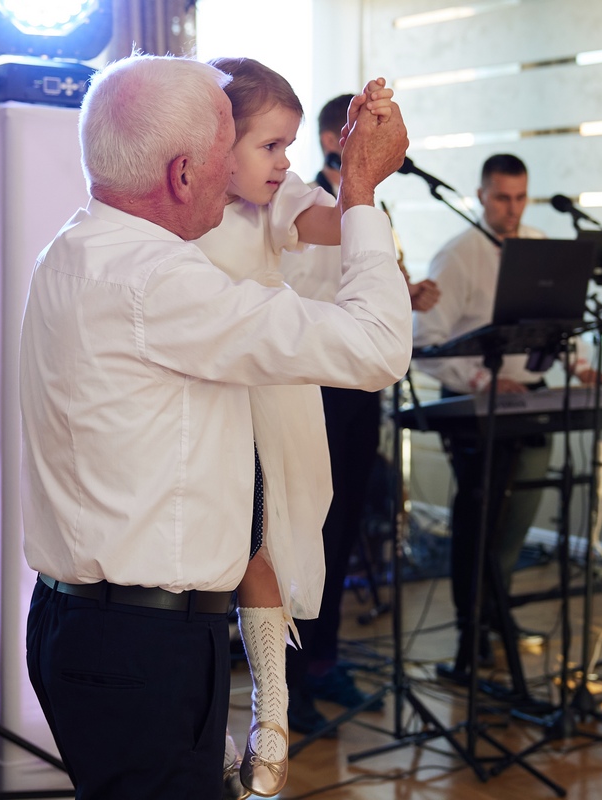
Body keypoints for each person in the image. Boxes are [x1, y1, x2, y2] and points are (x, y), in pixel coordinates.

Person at [19, 54, 411, 800]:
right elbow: (378, 347)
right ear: (184, 173)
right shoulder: (160, 281)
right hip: (139, 646)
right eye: (228, 144)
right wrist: (360, 190)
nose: (253, 168)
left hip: (83, 626)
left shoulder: (73, 247)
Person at [192, 58, 393, 796]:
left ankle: (270, 708)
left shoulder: (274, 202)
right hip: (200, 390)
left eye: (289, 146)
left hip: (267, 391)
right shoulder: (179, 216)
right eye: (269, 146)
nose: (283, 162)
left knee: (264, 541)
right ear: (216, 143)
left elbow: (334, 222)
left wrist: (361, 172)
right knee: (200, 556)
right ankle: (207, 722)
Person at [411, 153, 602, 681]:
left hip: (531, 400)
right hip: (476, 407)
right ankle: (471, 632)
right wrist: (485, 380)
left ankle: (496, 615)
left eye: (520, 197)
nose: (512, 208)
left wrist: (581, 368)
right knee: (479, 521)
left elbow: (556, 323)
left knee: (517, 520)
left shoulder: (539, 245)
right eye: (502, 198)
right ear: (482, 195)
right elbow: (426, 343)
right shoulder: (457, 255)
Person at [279, 93, 439, 735]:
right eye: (362, 129)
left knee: (344, 528)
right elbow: (296, 296)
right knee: (306, 531)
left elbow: (375, 284)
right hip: (313, 383)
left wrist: (407, 293)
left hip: (359, 388)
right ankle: (286, 683)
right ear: (332, 139)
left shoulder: (373, 206)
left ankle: (325, 661)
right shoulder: (299, 203)